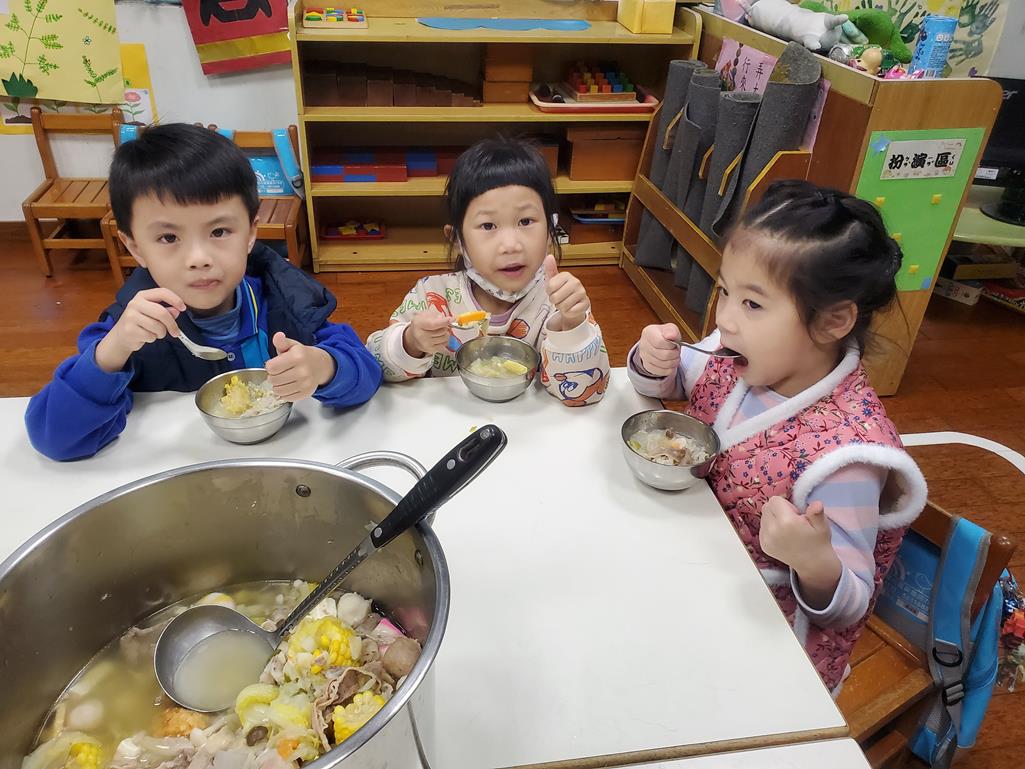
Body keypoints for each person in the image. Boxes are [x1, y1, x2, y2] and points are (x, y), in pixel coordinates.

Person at [630, 180, 927, 693]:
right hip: (690, 565)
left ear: (832, 321)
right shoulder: (737, 355)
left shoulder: (846, 457)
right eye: (725, 291)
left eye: (753, 304)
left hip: (760, 647)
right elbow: (674, 380)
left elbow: (850, 604)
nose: (725, 319)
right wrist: (652, 362)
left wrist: (813, 560)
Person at [26, 123, 382, 461]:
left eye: (219, 232)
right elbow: (55, 439)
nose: (198, 258)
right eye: (168, 237)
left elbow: (366, 373)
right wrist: (111, 353)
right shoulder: (128, 332)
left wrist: (324, 367)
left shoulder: (287, 302)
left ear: (251, 233)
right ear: (134, 247)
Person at [366, 138, 610, 407]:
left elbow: (588, 394)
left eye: (526, 221)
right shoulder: (432, 295)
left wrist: (572, 327)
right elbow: (375, 366)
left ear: (551, 230)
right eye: (488, 226)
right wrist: (411, 341)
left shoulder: (560, 304)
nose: (511, 245)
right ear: (457, 240)